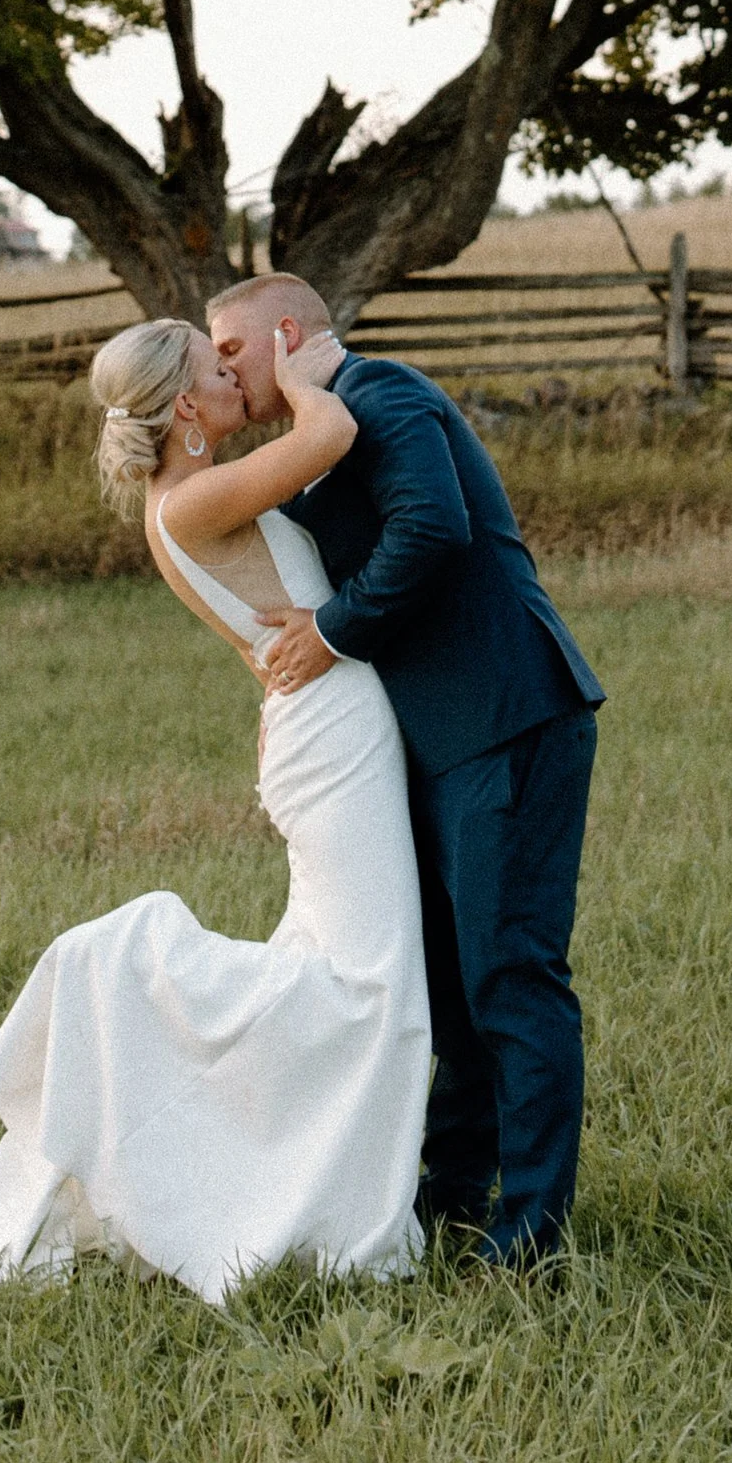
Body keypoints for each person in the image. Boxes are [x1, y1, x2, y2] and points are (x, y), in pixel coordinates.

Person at [0, 310, 432, 1307]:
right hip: (331, 738)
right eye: (218, 368)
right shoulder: (186, 502)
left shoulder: (194, 492)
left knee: (355, 975)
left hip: (324, 729)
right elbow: (327, 438)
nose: (240, 376)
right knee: (367, 988)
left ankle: (301, 1187)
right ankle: (133, 986)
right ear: (185, 407)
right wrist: (310, 366)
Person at [208, 271, 602, 1266]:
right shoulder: (319, 440)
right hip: (431, 741)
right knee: (451, 986)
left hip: (506, 717)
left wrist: (330, 635)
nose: (226, 373)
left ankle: (534, 1230)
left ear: (285, 332)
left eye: (232, 353)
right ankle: (454, 1194)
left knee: (510, 976)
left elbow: (433, 525)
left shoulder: (389, 398)